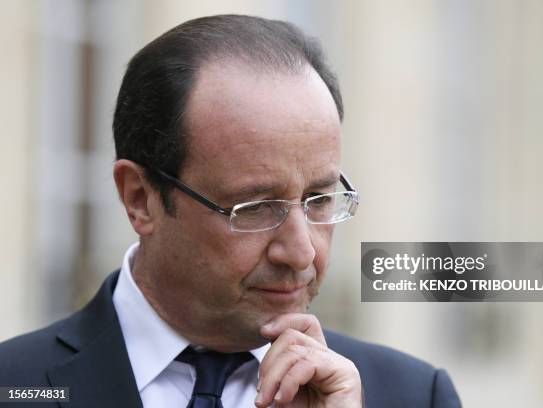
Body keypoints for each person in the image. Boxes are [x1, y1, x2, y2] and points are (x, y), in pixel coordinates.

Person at [0, 15, 461, 407]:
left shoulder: (414, 395)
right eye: (257, 207)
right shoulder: (12, 385)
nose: (300, 253)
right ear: (140, 198)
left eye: (319, 200)